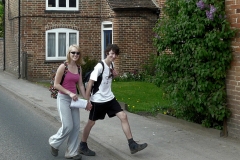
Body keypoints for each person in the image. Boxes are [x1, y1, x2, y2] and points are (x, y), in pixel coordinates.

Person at [79, 44, 148, 156]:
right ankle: (82, 145)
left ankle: (132, 145)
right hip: (98, 100)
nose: (114, 56)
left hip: (109, 98)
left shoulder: (111, 65)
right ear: (107, 53)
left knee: (123, 116)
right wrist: (87, 101)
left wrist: (113, 74)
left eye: (115, 54)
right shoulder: (99, 66)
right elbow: (91, 83)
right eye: (111, 53)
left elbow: (106, 79)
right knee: (91, 123)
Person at [49, 44, 92, 160]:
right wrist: (69, 93)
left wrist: (87, 100)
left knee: (76, 126)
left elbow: (81, 84)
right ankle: (54, 142)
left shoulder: (79, 68)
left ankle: (71, 152)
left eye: (77, 53)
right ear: (69, 54)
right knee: (68, 126)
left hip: (75, 100)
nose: (75, 55)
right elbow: (56, 84)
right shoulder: (63, 67)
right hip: (63, 98)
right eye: (73, 52)